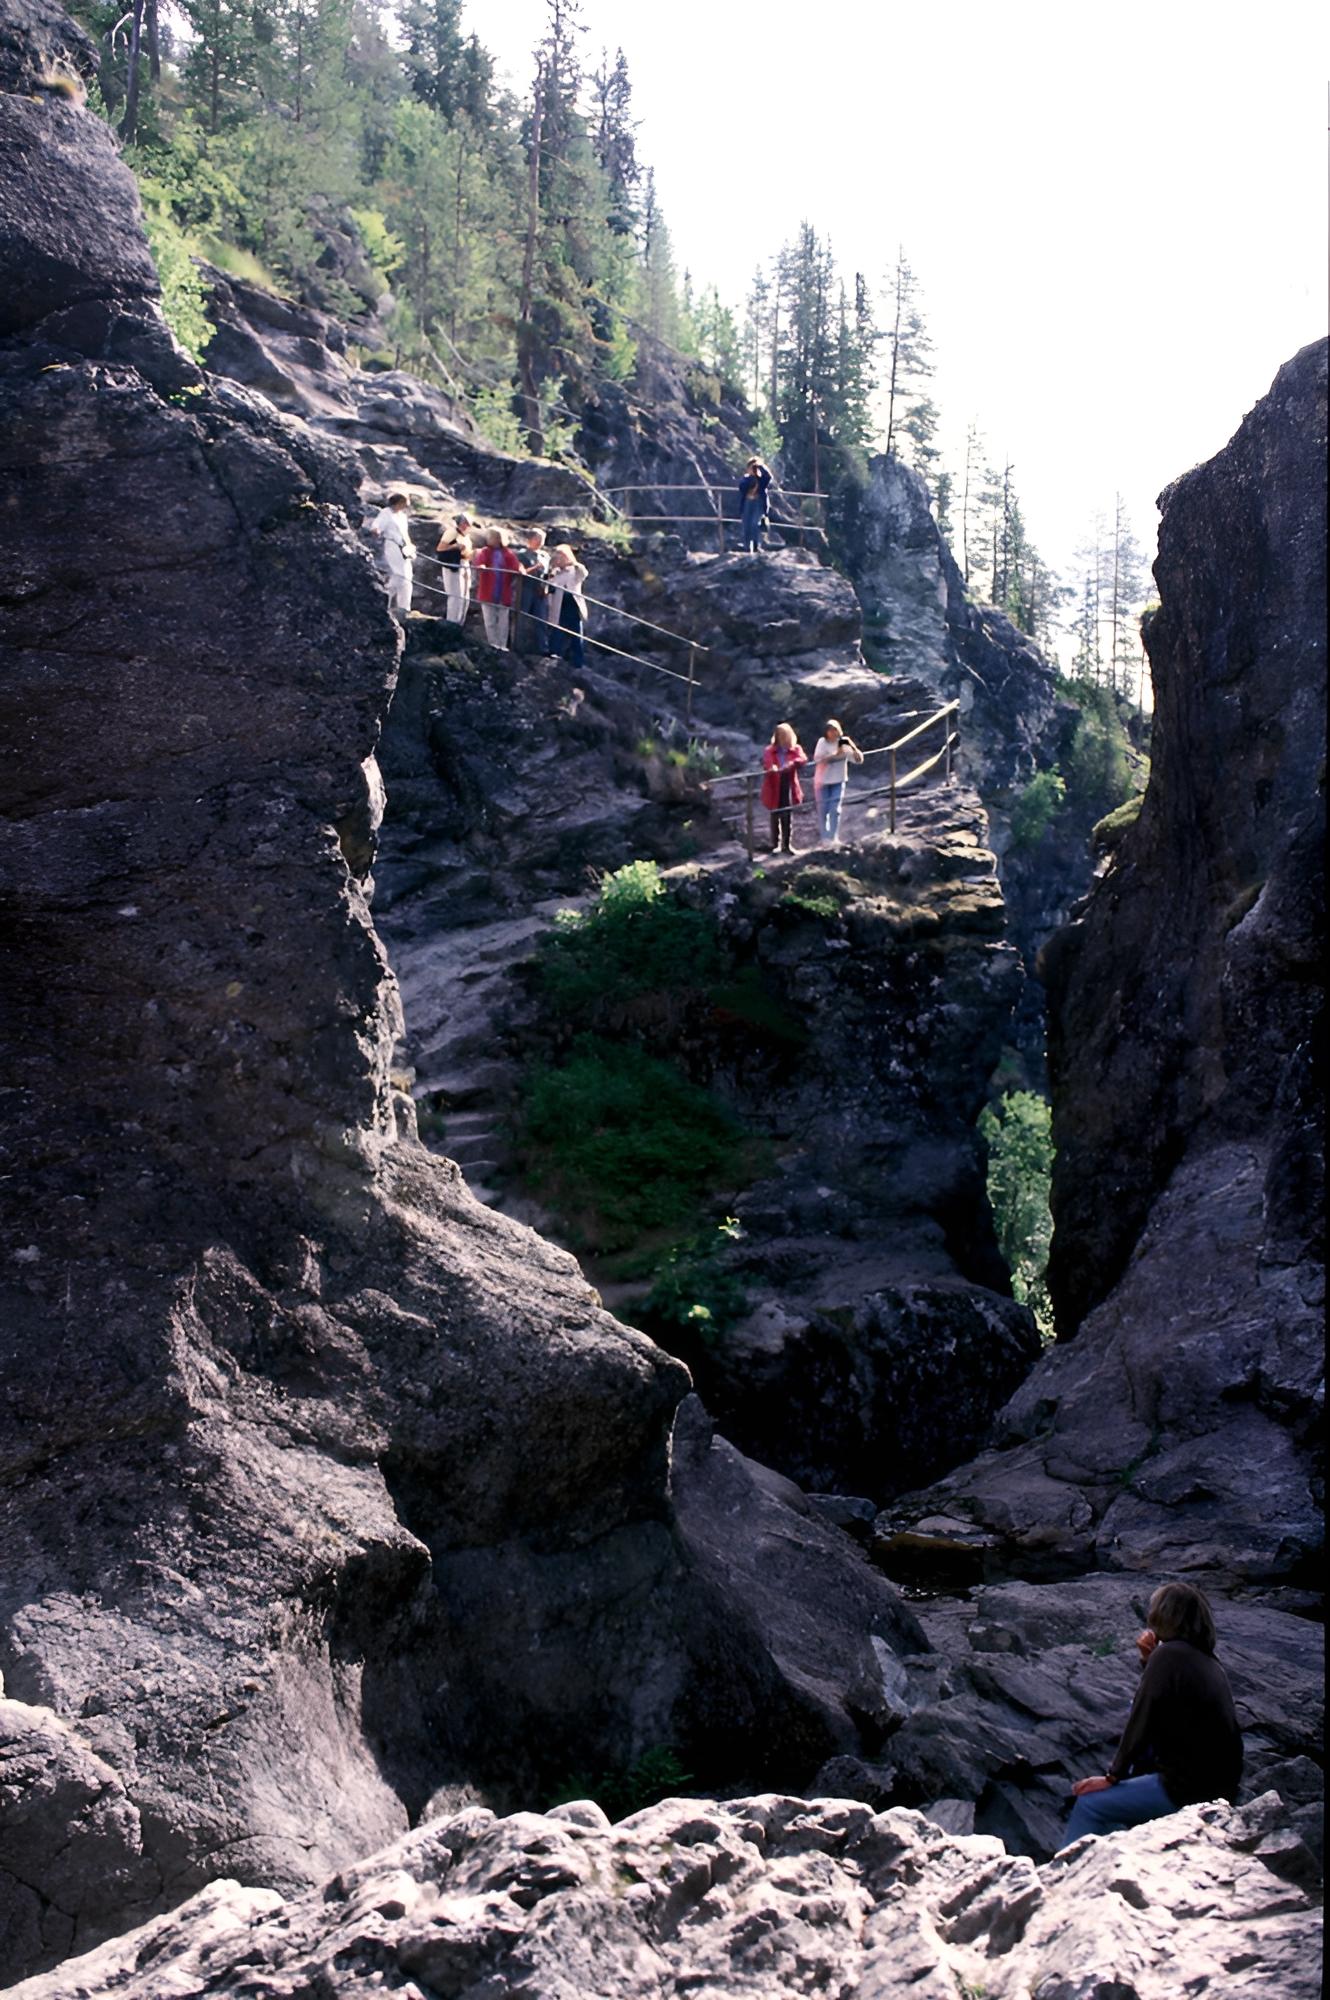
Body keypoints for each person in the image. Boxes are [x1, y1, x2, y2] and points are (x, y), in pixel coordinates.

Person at [1063, 1581, 1243, 1845]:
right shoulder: (1208, 1661)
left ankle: (1066, 1867)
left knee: (1090, 1804)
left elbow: (1143, 1716)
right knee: (1119, 1818)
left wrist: (1113, 1776)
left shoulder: (1169, 1655)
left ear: (1164, 1614)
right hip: (1218, 1788)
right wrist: (1149, 1662)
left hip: (1185, 1789)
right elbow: (1168, 1710)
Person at [812, 718, 864, 844]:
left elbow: (858, 760)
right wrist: (836, 755)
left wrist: (853, 747)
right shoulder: (822, 742)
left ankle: (833, 837)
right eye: (830, 730)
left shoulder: (843, 743)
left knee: (835, 809)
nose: (833, 732)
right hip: (822, 781)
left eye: (835, 730)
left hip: (838, 780)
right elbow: (818, 759)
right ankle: (825, 837)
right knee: (823, 809)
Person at [472, 527, 522, 650]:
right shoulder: (485, 551)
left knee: (503, 621)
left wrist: (519, 570)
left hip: (503, 591)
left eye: (492, 537)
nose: (490, 539)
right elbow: (479, 561)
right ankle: (493, 644)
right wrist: (481, 566)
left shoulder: (508, 553)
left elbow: (515, 566)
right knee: (489, 620)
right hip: (487, 591)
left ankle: (502, 645)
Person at [760, 721, 807, 853]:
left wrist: (791, 764)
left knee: (787, 814)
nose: (783, 738)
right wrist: (772, 768)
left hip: (788, 783)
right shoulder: (770, 750)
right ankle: (775, 844)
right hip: (773, 784)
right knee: (775, 814)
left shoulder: (795, 749)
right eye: (780, 735)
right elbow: (767, 762)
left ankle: (786, 845)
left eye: (785, 735)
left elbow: (802, 759)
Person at [371, 491, 414, 621]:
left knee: (408, 576)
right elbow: (376, 525)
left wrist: (410, 547)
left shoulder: (402, 516)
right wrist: (376, 530)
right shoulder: (386, 513)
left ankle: (404, 607)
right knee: (400, 574)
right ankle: (386, 600)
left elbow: (405, 533)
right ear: (399, 502)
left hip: (405, 548)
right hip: (393, 546)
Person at [547, 543, 589, 670]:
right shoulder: (556, 573)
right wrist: (552, 572)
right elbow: (550, 586)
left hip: (573, 604)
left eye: (561, 557)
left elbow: (583, 574)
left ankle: (578, 660)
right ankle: (554, 653)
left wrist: (573, 563)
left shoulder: (575, 570)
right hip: (560, 604)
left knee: (576, 633)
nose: (558, 559)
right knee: (558, 630)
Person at [514, 526, 553, 655]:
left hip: (540, 590)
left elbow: (547, 573)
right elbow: (521, 572)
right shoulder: (522, 554)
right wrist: (535, 567)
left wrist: (546, 585)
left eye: (543, 539)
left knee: (541, 618)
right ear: (530, 539)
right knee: (522, 616)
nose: (541, 542)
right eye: (538, 539)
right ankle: (518, 646)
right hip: (526, 588)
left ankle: (543, 647)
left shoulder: (545, 556)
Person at [435, 513, 474, 626]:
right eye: (465, 523)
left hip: (465, 563)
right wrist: (455, 546)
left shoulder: (466, 536)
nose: (467, 526)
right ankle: (452, 623)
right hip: (454, 565)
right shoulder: (452, 532)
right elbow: (440, 548)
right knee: (456, 595)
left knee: (465, 597)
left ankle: (460, 623)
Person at [737, 456, 772, 553]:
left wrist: (761, 466)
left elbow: (768, 477)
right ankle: (747, 547)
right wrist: (751, 477)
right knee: (746, 525)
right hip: (747, 502)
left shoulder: (762, 480)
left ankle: (756, 546)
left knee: (755, 524)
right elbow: (742, 487)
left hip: (758, 503)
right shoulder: (746, 479)